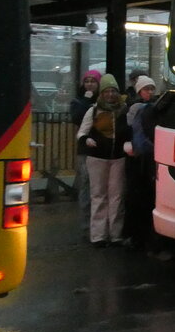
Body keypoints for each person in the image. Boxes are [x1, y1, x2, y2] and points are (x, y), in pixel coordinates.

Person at [76, 73, 132, 247]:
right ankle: (98, 235)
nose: (110, 94)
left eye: (113, 91)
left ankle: (115, 235)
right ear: (101, 93)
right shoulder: (93, 110)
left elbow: (130, 130)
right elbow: (82, 132)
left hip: (118, 157)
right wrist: (86, 140)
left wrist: (129, 142)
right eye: (107, 91)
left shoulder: (125, 110)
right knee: (98, 195)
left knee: (117, 196)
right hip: (97, 157)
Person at [124, 75, 160, 252]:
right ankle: (141, 237)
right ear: (139, 91)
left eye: (152, 88)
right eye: (147, 89)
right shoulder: (140, 108)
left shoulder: (145, 108)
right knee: (141, 197)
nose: (150, 92)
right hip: (142, 159)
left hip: (142, 158)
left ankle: (139, 236)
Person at [68, 69, 101, 242]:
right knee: (86, 186)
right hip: (85, 150)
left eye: (93, 81)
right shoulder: (78, 101)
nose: (89, 84)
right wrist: (87, 101)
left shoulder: (103, 101)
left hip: (101, 148)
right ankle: (86, 227)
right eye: (87, 81)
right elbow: (76, 118)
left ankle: (99, 226)